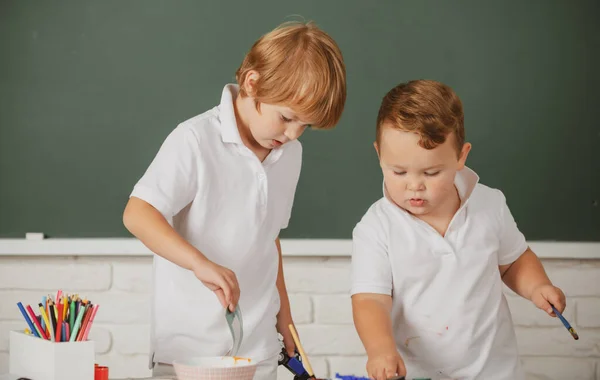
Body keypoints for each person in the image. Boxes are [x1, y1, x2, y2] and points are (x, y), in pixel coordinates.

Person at [123, 21, 346, 379]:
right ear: (252, 83)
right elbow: (138, 213)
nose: (292, 134)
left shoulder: (290, 155)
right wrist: (199, 262)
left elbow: (268, 237)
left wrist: (283, 315)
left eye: (305, 126)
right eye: (287, 118)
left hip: (258, 351)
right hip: (188, 353)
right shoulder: (195, 140)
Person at [351, 80, 566, 380]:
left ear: (461, 157)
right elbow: (370, 299)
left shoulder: (489, 204)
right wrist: (380, 350)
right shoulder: (376, 228)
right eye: (398, 171)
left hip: (494, 371)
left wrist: (537, 286)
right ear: (379, 155)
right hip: (417, 372)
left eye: (431, 172)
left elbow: (513, 261)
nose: (414, 185)